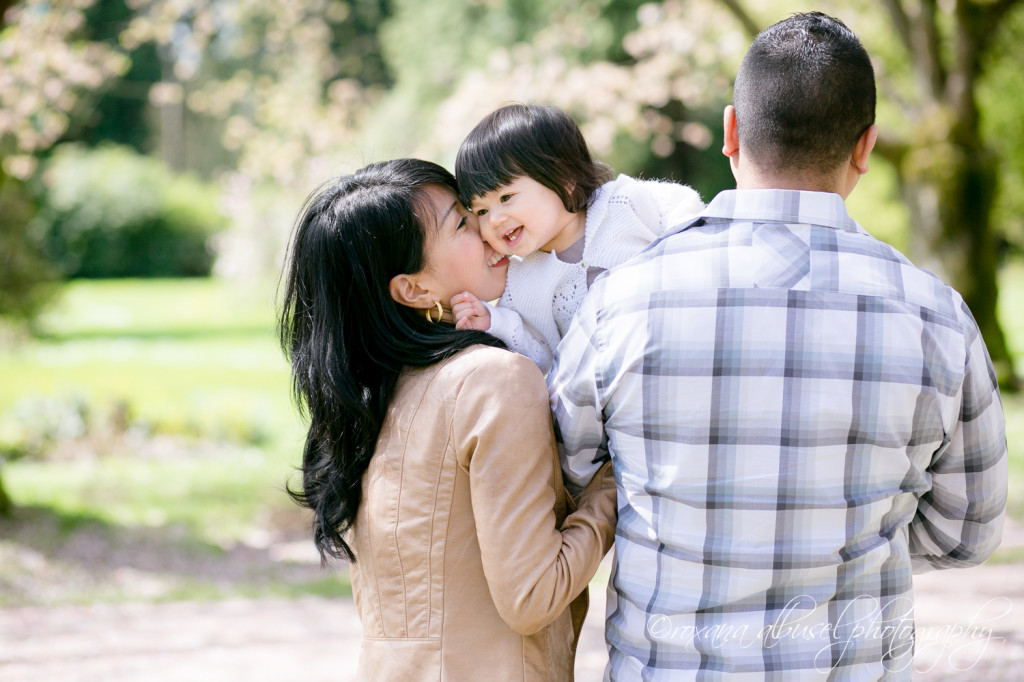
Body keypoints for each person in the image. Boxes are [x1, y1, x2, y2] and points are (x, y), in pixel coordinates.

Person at [548, 12, 1007, 680]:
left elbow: (571, 470)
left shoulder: (623, 300)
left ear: (732, 130)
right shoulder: (938, 316)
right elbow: (966, 534)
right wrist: (843, 535)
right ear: (865, 147)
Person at [278, 158, 617, 681]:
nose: (489, 229)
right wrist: (611, 485)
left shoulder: (371, 401)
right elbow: (532, 595)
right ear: (412, 289)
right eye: (462, 221)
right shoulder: (493, 381)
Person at [451, 103, 704, 373]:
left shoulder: (621, 203)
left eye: (506, 198)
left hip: (687, 339)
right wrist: (494, 321)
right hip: (619, 391)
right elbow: (544, 358)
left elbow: (684, 208)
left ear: (563, 178)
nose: (495, 219)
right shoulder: (521, 283)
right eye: (481, 210)